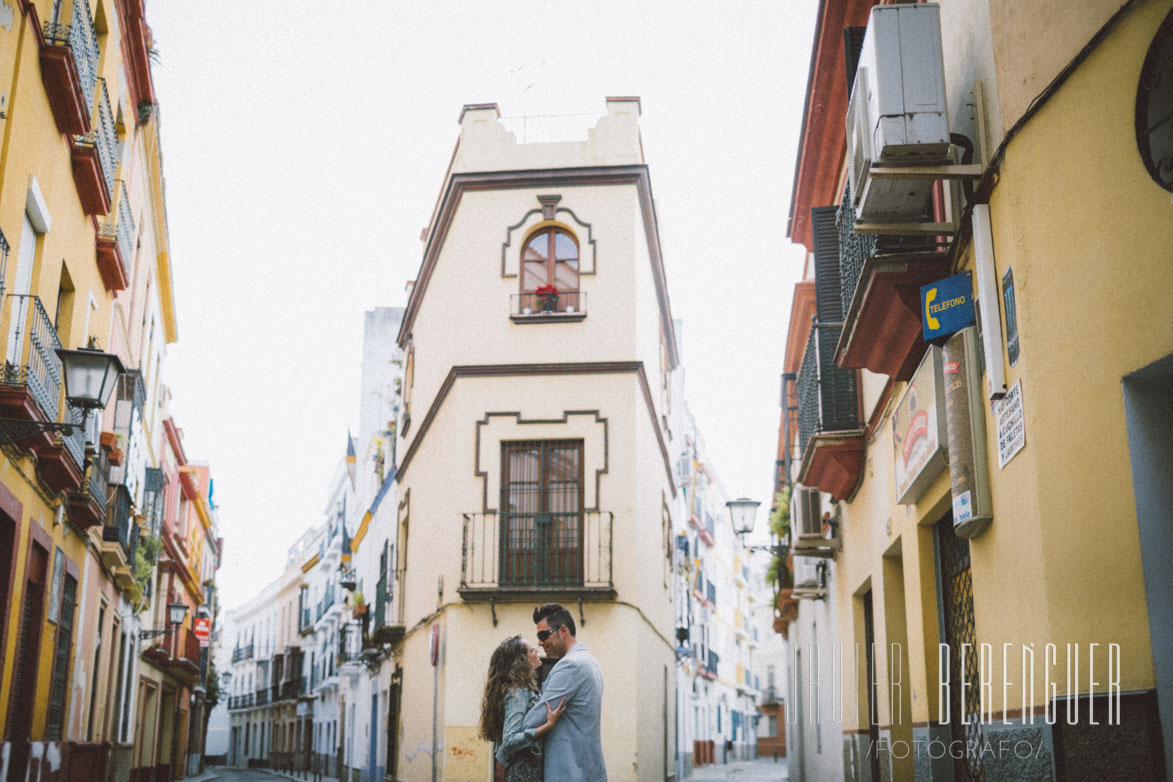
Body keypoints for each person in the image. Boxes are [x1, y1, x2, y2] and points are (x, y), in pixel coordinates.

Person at [522, 603, 607, 782]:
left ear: (562, 631)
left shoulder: (570, 665)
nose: (539, 642)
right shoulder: (591, 662)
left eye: (543, 635)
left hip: (568, 773)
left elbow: (531, 721)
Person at [480, 635, 566, 782]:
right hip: (522, 772)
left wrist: (501, 761)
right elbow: (510, 740)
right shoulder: (518, 692)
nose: (537, 652)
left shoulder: (523, 688)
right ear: (521, 661)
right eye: (532, 650)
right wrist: (548, 725)